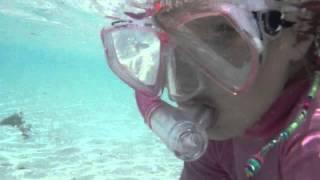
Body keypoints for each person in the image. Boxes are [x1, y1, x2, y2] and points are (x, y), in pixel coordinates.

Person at [101, 0, 320, 179]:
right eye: (167, 45)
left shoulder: (313, 146)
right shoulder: (225, 129)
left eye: (223, 31)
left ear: (299, 33)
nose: (184, 86)